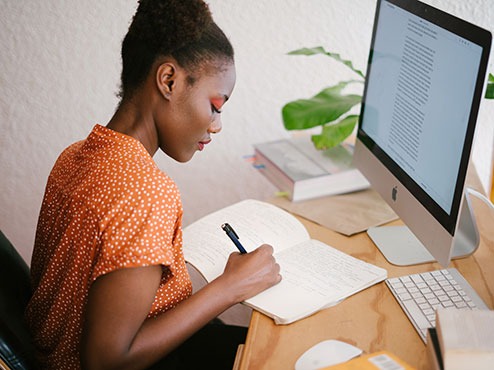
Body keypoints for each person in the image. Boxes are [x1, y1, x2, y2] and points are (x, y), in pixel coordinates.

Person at [25, 1, 282, 369]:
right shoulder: (145, 192)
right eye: (215, 105)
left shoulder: (76, 155)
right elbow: (107, 360)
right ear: (169, 80)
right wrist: (229, 288)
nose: (216, 125)